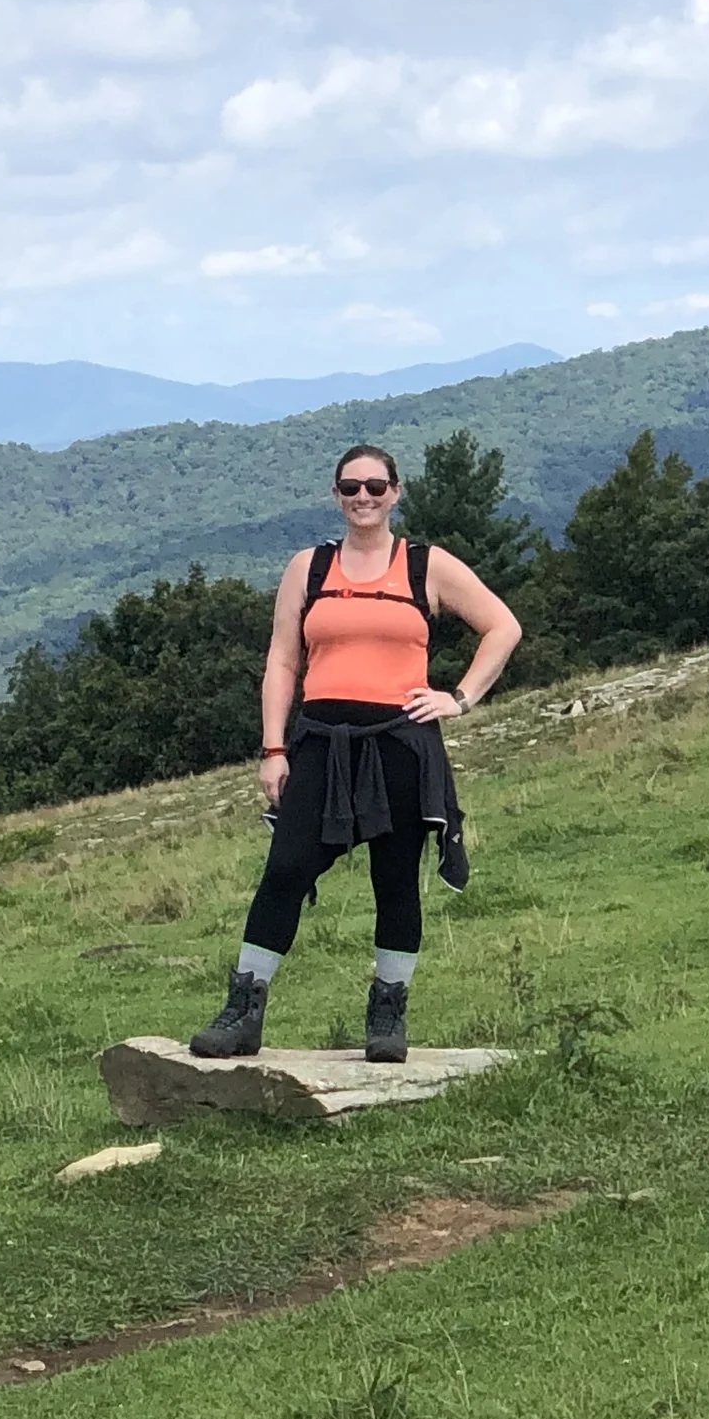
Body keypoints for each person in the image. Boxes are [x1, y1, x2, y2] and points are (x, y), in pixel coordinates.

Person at [190, 444, 522, 1064]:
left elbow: (503, 626)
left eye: (375, 487)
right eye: (351, 488)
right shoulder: (309, 568)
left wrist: (460, 697)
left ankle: (387, 1015)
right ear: (335, 494)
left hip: (400, 742)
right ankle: (243, 1010)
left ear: (396, 492)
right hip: (319, 743)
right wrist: (273, 748)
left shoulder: (426, 565)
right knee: (285, 870)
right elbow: (283, 660)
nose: (363, 499)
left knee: (395, 880)